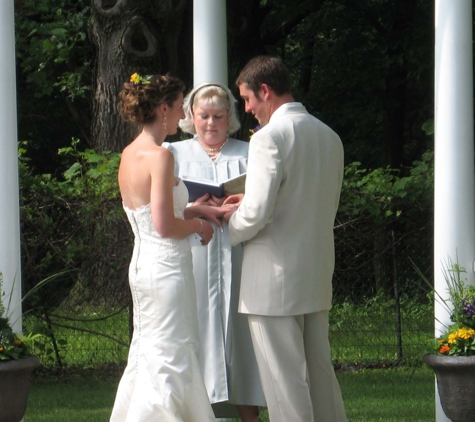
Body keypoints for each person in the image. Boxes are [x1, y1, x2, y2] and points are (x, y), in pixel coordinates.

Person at [223, 56, 348, 422]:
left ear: (265, 90)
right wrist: (248, 202)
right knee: (320, 373)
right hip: (315, 270)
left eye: (247, 99)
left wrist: (226, 227)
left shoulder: (269, 138)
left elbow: (258, 213)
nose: (247, 110)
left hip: (272, 279)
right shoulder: (330, 136)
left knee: (283, 381)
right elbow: (305, 200)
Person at [110, 72, 227, 422]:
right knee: (172, 356)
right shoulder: (161, 157)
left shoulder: (130, 153)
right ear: (163, 108)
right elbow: (164, 226)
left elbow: (149, 214)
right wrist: (199, 226)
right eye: (179, 107)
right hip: (167, 271)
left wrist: (195, 208)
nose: (184, 116)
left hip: (143, 267)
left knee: (150, 353)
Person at [165, 82, 266, 422]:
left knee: (242, 334)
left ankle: (249, 410)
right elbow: (163, 209)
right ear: (191, 117)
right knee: (197, 328)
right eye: (203, 116)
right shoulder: (175, 154)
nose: (210, 123)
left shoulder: (248, 152)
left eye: (218, 116)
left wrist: (240, 203)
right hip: (196, 253)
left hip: (240, 253)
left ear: (230, 117)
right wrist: (195, 205)